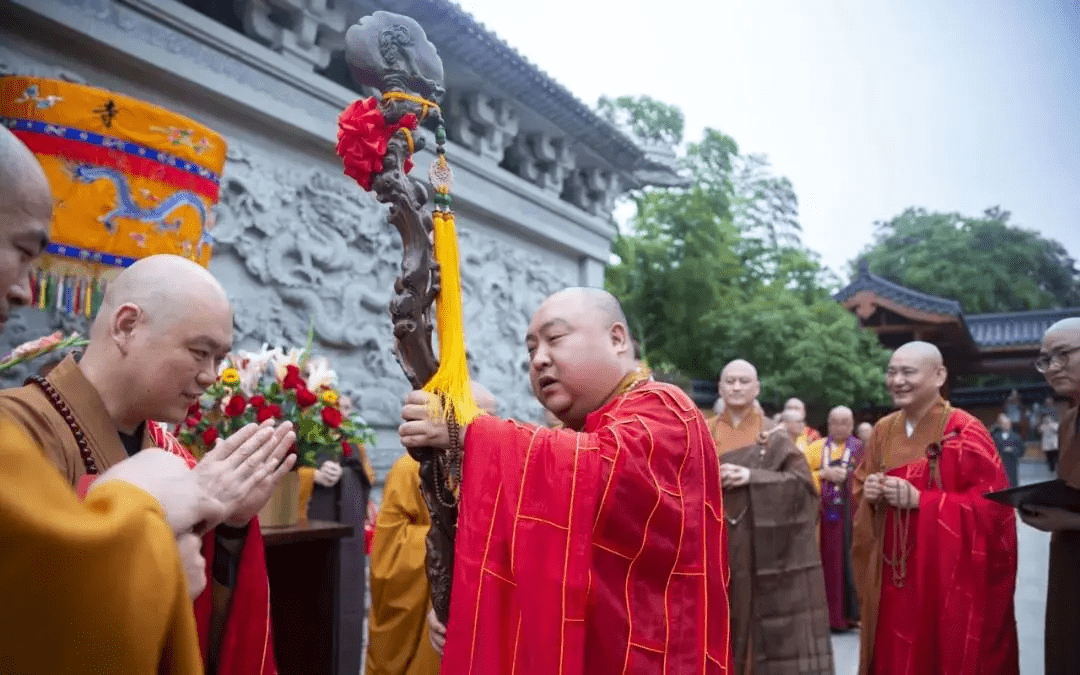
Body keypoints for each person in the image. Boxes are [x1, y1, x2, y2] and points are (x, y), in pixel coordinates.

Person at [0, 124, 293, 673]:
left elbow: (198, 615)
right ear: (128, 326)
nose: (210, 377)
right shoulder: (19, 429)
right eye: (199, 352)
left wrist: (226, 528)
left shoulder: (170, 450)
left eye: (220, 359)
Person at [398, 287, 730, 674]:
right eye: (530, 349)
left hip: (646, 656)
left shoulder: (666, 411)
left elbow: (602, 470)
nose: (539, 359)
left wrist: (468, 431)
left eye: (555, 339)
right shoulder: (582, 433)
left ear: (617, 338)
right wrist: (470, 604)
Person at [852, 341, 1018, 675]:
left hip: (945, 578)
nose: (897, 380)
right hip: (892, 575)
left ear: (939, 375)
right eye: (892, 371)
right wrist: (868, 490)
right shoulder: (884, 430)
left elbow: (995, 510)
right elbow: (861, 483)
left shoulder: (964, 431)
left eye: (907, 372)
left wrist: (923, 502)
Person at [709, 359, 832, 674]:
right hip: (712, 541)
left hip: (759, 545)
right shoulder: (703, 432)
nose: (737, 387)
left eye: (744, 381)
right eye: (730, 381)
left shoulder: (773, 436)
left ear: (757, 388)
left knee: (755, 617)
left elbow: (804, 488)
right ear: (720, 387)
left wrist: (753, 477)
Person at [365, 382, 497, 675]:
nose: (487, 429)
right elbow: (389, 553)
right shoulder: (408, 470)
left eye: (492, 419)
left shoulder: (495, 470)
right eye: (476, 419)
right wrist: (455, 543)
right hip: (424, 618)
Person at [1023, 317, 1080, 675]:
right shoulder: (1069, 420)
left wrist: (1070, 520)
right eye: (1046, 359)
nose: (1053, 368)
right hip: (1071, 559)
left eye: (1063, 355)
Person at [803, 406, 863, 632]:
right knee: (825, 564)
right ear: (827, 424)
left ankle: (852, 614)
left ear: (852, 425)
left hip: (852, 516)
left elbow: (868, 476)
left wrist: (850, 478)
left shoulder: (860, 449)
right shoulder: (816, 448)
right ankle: (826, 617)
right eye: (834, 422)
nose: (839, 427)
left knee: (851, 562)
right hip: (823, 518)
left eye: (844, 422)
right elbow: (799, 475)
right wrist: (823, 475)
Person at [990, 412, 1024, 486]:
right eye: (1004, 424)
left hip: (1012, 464)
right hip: (1000, 464)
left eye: (1007, 423)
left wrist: (1012, 450)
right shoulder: (996, 437)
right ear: (1001, 425)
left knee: (1012, 484)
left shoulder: (1016, 437)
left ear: (1010, 424)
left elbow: (1021, 451)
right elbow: (992, 450)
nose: (1006, 425)